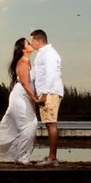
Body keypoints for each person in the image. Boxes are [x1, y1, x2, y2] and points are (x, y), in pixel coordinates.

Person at [0, 37, 40, 164]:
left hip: (27, 97)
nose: (31, 45)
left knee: (28, 124)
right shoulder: (22, 63)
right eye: (28, 44)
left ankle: (20, 156)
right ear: (24, 50)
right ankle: (22, 158)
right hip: (20, 97)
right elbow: (24, 83)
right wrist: (35, 98)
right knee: (30, 124)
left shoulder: (30, 62)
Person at [30, 29, 63, 165]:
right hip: (47, 91)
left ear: (39, 41)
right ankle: (51, 157)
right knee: (49, 123)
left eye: (32, 41)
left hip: (50, 92)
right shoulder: (42, 53)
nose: (31, 44)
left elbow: (51, 74)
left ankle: (52, 158)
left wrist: (45, 93)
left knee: (51, 123)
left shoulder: (48, 53)